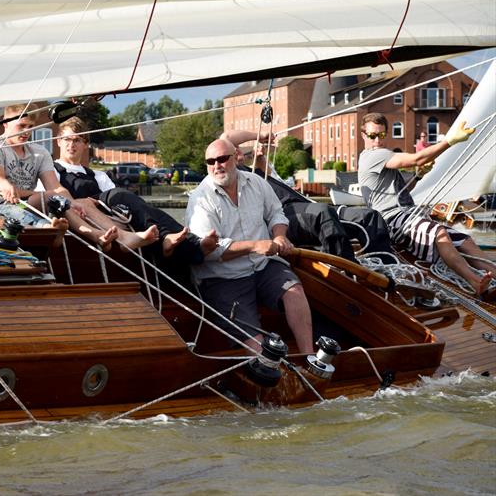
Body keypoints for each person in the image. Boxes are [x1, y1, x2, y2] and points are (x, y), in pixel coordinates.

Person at [186, 137, 314, 354]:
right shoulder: (200, 200)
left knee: (295, 290)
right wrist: (254, 245)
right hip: (223, 278)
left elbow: (276, 213)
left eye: (222, 159)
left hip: (263, 266)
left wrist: (280, 236)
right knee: (258, 347)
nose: (216, 166)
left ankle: (309, 357)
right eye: (210, 161)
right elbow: (212, 251)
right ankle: (272, 375)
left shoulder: (256, 182)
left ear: (236, 158)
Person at [0, 104, 157, 250]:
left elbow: (56, 186)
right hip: (1, 205)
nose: (27, 132)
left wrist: (73, 203)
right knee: (54, 198)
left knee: (81, 202)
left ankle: (124, 237)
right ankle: (93, 235)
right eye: (21, 126)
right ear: (6, 124)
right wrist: (53, 195)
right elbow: (4, 189)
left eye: (31, 127)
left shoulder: (39, 152)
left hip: (31, 202)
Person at [357, 112, 494, 296]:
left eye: (381, 135)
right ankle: (475, 282)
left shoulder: (382, 158)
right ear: (363, 135)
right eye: (372, 136)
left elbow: (404, 188)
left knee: (465, 240)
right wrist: (449, 141)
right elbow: (417, 159)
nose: (377, 141)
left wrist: (418, 175)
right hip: (392, 221)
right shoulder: (373, 156)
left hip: (408, 215)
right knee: (440, 233)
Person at [51, 116, 218, 264]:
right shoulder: (52, 173)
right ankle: (178, 242)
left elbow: (117, 201)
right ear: (59, 141)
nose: (71, 144)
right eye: (67, 139)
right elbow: (51, 201)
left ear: (85, 144)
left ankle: (188, 243)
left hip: (113, 217)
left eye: (77, 140)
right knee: (121, 195)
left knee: (146, 209)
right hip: (83, 222)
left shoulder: (98, 176)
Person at [225, 131, 395, 263]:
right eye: (234, 148)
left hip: (305, 207)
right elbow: (226, 137)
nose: (239, 148)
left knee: (369, 216)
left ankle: (388, 269)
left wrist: (260, 157)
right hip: (284, 216)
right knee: (321, 212)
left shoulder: (256, 171)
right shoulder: (236, 175)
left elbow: (266, 172)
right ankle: (347, 271)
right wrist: (259, 135)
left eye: (239, 147)